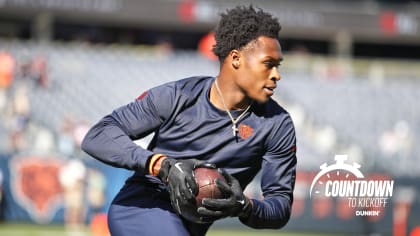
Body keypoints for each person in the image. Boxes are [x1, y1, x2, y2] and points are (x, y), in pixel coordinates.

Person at [82, 5, 297, 236]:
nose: (276, 75)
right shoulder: (178, 96)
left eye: (278, 65)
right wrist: (162, 165)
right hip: (142, 207)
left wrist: (245, 206)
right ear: (236, 59)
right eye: (268, 64)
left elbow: (280, 206)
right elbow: (98, 136)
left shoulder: (278, 124)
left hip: (188, 227)